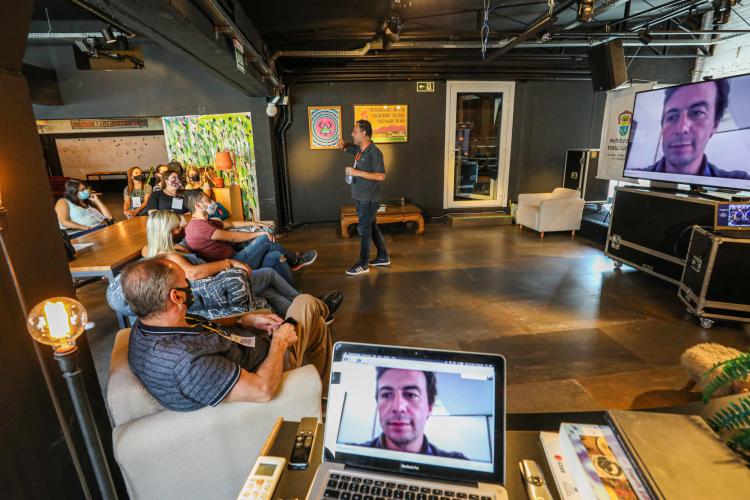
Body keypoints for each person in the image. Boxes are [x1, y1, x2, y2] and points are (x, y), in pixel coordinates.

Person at [120, 257, 334, 411]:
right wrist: (279, 342)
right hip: (269, 366)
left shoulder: (150, 325)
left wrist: (243, 319)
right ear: (176, 296)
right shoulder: (187, 362)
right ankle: (324, 308)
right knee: (305, 303)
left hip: (249, 345)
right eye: (187, 282)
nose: (191, 285)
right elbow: (262, 390)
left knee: (316, 325)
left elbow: (206, 328)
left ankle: (320, 398)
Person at [142, 210, 338, 317]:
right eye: (177, 229)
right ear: (167, 232)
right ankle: (313, 306)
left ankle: (308, 314)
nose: (181, 231)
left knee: (268, 289)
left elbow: (229, 225)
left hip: (223, 286)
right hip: (220, 288)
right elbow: (193, 273)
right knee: (268, 270)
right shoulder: (170, 256)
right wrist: (229, 263)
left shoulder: (155, 252)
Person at [183, 190, 316, 284]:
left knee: (275, 255)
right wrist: (259, 234)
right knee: (264, 240)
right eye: (208, 200)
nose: (212, 202)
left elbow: (231, 224)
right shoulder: (199, 227)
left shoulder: (206, 222)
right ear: (198, 205)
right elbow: (232, 237)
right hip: (235, 263)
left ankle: (293, 292)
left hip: (237, 257)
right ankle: (295, 260)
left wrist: (252, 223)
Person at [634, 80, 749, 179]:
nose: (681, 128)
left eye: (697, 113)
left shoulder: (739, 180)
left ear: (714, 125)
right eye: (672, 116)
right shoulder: (637, 175)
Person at [357, 368, 467, 459]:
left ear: (429, 408)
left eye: (411, 395)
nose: (398, 407)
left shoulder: (460, 464)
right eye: (386, 395)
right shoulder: (355, 456)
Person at [339, 119, 390, 276]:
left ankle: (363, 264)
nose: (352, 133)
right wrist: (344, 145)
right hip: (362, 197)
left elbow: (381, 176)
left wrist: (357, 173)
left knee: (364, 229)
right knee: (371, 226)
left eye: (355, 131)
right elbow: (352, 149)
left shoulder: (374, 152)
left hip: (368, 199)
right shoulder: (361, 150)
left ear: (364, 133)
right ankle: (383, 256)